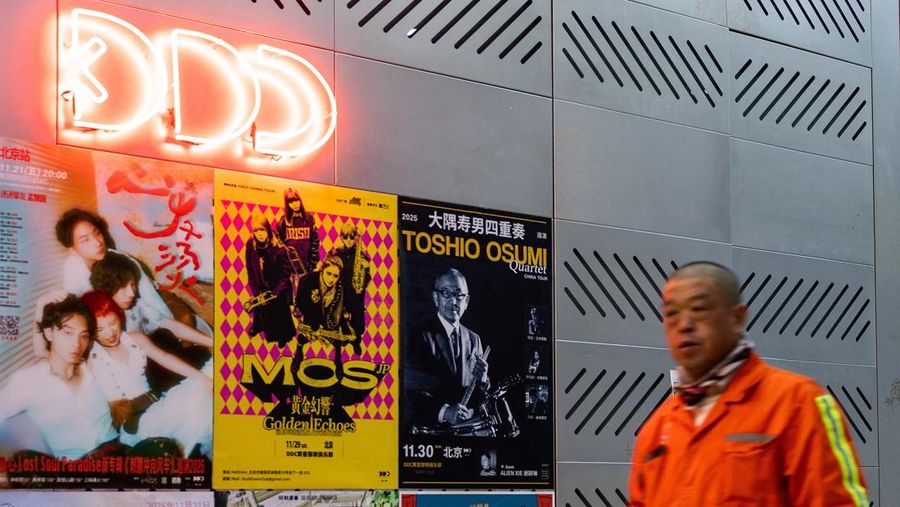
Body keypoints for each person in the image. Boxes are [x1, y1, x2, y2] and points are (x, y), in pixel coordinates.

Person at [629, 261, 868, 506]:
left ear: (737, 318)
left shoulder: (798, 403)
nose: (684, 324)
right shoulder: (655, 433)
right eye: (671, 313)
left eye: (698, 308)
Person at [82, 290, 213, 457]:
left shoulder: (135, 339)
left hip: (158, 405)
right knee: (198, 401)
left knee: (206, 381)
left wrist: (200, 376)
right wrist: (45, 302)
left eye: (113, 323)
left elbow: (165, 357)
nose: (110, 333)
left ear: (120, 317)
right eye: (100, 328)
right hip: (136, 423)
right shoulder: (90, 353)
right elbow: (52, 352)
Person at [0, 296, 118, 459]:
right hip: (77, 469)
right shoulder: (29, 381)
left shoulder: (91, 365)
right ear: (49, 333)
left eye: (83, 336)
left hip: (117, 450)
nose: (77, 344)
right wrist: (41, 304)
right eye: (68, 333)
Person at [404, 269, 489, 427]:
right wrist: (445, 412)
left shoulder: (474, 339)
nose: (453, 302)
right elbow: (410, 390)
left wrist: (483, 380)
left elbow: (480, 397)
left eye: (458, 295)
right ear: (436, 298)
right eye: (446, 293)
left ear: (467, 301)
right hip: (429, 430)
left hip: (465, 430)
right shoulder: (419, 334)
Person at [90, 252, 213, 350]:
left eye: (133, 285)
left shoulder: (137, 307)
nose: (132, 293)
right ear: (106, 289)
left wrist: (215, 343)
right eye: (123, 287)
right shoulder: (100, 322)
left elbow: (172, 326)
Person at [294, 255, 362, 356]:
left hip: (333, 314)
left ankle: (339, 361)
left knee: (337, 342)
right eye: (328, 273)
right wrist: (314, 326)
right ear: (322, 270)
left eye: (335, 276)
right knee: (303, 338)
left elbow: (350, 301)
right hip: (313, 314)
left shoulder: (342, 284)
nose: (331, 279)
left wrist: (348, 313)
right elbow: (301, 303)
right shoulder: (307, 281)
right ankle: (298, 354)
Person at [245, 213, 296, 346]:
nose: (259, 234)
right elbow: (250, 268)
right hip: (261, 284)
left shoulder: (279, 248)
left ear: (267, 229)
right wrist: (255, 291)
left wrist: (275, 292)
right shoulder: (251, 244)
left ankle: (283, 337)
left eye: (262, 229)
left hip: (279, 289)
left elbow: (286, 275)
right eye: (256, 230)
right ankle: (259, 325)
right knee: (261, 309)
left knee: (280, 314)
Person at [329, 222, 371, 339]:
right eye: (345, 237)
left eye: (352, 237)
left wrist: (366, 268)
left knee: (358, 318)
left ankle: (357, 339)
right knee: (342, 317)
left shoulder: (361, 254)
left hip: (356, 292)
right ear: (341, 237)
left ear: (356, 238)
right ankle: (345, 337)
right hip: (341, 290)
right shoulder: (336, 252)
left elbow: (368, 276)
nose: (349, 240)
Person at [275, 188, 320, 279]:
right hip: (290, 269)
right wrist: (284, 250)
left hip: (306, 266)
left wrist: (313, 264)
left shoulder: (309, 218)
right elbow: (276, 235)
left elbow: (315, 241)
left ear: (300, 200)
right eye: (291, 202)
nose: (295, 204)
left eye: (297, 200)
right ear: (287, 204)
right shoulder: (284, 221)